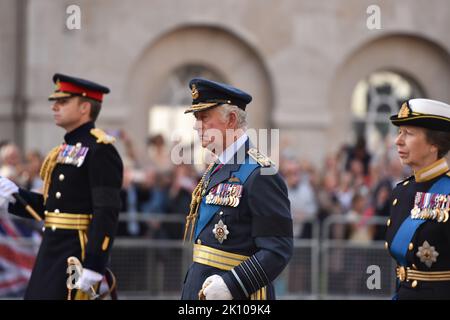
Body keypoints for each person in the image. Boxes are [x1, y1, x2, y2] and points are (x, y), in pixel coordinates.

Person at [0, 73, 123, 299]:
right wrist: (15, 196)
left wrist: (95, 264)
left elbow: (106, 212)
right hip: (52, 249)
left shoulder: (101, 150)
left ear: (85, 107)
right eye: (55, 102)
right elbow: (54, 208)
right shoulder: (64, 150)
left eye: (63, 102)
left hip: (76, 253)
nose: (55, 107)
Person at [180, 78, 293, 300]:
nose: (196, 125)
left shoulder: (260, 173)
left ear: (231, 119)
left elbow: (278, 249)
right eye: (196, 118)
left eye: (204, 117)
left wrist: (232, 285)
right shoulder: (217, 166)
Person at [385, 98, 450, 299]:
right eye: (399, 132)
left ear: (434, 144)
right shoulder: (400, 192)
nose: (398, 140)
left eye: (409, 133)